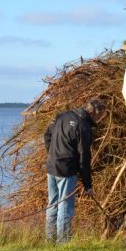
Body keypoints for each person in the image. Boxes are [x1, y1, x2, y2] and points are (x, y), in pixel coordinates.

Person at [43, 97, 106, 243]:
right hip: (67, 171)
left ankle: (49, 241)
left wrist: (51, 154)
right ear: (94, 113)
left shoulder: (63, 116)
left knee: (52, 204)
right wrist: (88, 185)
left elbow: (47, 135)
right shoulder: (83, 127)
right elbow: (84, 158)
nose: (100, 120)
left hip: (51, 166)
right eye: (100, 116)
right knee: (65, 207)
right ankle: (62, 243)